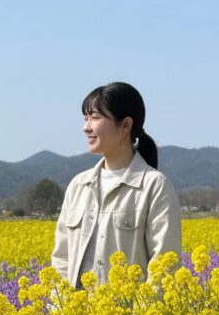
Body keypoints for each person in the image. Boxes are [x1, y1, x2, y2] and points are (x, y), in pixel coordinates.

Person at [51, 82, 181, 287]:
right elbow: (61, 259)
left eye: (95, 118)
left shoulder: (155, 187)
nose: (86, 127)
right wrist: (60, 308)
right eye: (85, 118)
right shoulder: (78, 185)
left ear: (125, 125)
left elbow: (165, 264)